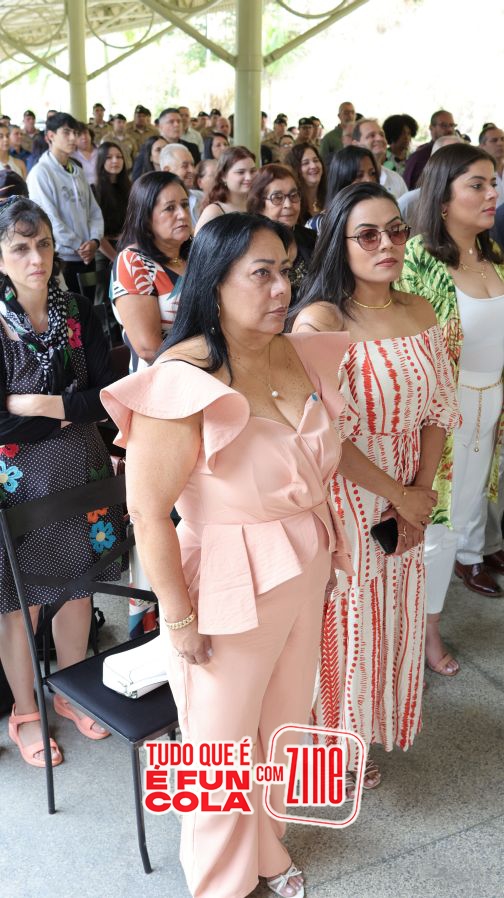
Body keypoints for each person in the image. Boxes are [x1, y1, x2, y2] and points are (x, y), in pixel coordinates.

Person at [101, 211, 353, 898]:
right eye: (261, 273)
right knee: (219, 750)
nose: (282, 288)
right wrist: (178, 619)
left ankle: (267, 848)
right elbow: (147, 512)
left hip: (303, 566)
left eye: (286, 271)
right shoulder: (181, 378)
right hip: (227, 581)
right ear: (215, 283)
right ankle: (220, 883)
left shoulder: (294, 350)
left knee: (284, 725)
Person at [292, 181, 459, 790]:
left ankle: (373, 727)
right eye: (367, 234)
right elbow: (326, 436)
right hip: (348, 493)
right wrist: (399, 493)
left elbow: (438, 408)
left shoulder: (419, 309)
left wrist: (419, 493)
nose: (386, 244)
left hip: (408, 487)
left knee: (394, 613)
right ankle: (331, 752)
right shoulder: (320, 321)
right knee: (348, 619)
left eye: (395, 230)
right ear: (339, 242)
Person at [0, 197, 125, 767]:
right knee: (20, 604)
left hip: (84, 472)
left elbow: (105, 397)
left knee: (79, 588)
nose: (37, 258)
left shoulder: (76, 310)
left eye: (44, 244)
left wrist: (38, 403)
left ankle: (72, 691)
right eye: (21, 247)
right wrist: (68, 409)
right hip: (19, 486)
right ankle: (26, 710)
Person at [399, 143, 504, 674]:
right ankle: (422, 633)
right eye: (477, 185)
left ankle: (427, 619)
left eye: (493, 183)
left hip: (489, 407)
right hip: (440, 414)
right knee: (433, 526)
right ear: (443, 198)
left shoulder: (493, 254)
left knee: (461, 521)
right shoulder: (417, 259)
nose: (492, 194)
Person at [111, 171, 192, 371]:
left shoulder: (196, 253)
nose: (182, 214)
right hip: (165, 376)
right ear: (146, 217)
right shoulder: (133, 263)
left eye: (184, 205)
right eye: (170, 208)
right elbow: (148, 348)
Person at [27, 113, 104, 296]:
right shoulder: (41, 173)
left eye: (75, 133)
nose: (72, 138)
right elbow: (48, 219)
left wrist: (94, 240)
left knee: (88, 307)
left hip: (87, 255)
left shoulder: (77, 170)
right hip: (62, 258)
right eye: (66, 132)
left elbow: (94, 211)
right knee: (69, 309)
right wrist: (79, 245)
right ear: (50, 136)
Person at [247, 163, 315, 300]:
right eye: (277, 197)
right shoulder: (248, 246)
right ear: (259, 204)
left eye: (293, 196)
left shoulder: (312, 239)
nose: (288, 205)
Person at [92, 141, 130, 306]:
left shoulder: (129, 187)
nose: (115, 161)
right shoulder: (94, 190)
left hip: (127, 245)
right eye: (109, 157)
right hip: (104, 248)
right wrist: (115, 257)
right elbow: (96, 233)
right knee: (103, 294)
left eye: (119, 157)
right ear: (101, 161)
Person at [306, 145, 378, 232]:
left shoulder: (382, 214)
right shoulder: (319, 225)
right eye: (359, 175)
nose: (369, 180)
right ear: (343, 180)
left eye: (372, 173)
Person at [194, 146, 256, 234]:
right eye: (240, 172)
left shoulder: (257, 205)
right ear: (223, 176)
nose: (249, 177)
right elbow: (199, 242)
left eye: (252, 171)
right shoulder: (214, 211)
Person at [403, 110, 456, 189]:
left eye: (452, 125)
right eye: (443, 125)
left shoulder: (459, 154)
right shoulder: (420, 157)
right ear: (431, 128)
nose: (449, 129)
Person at [284, 143, 326, 224]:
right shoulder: (292, 206)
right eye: (306, 163)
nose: (313, 166)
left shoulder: (330, 198)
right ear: (295, 169)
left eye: (316, 160)